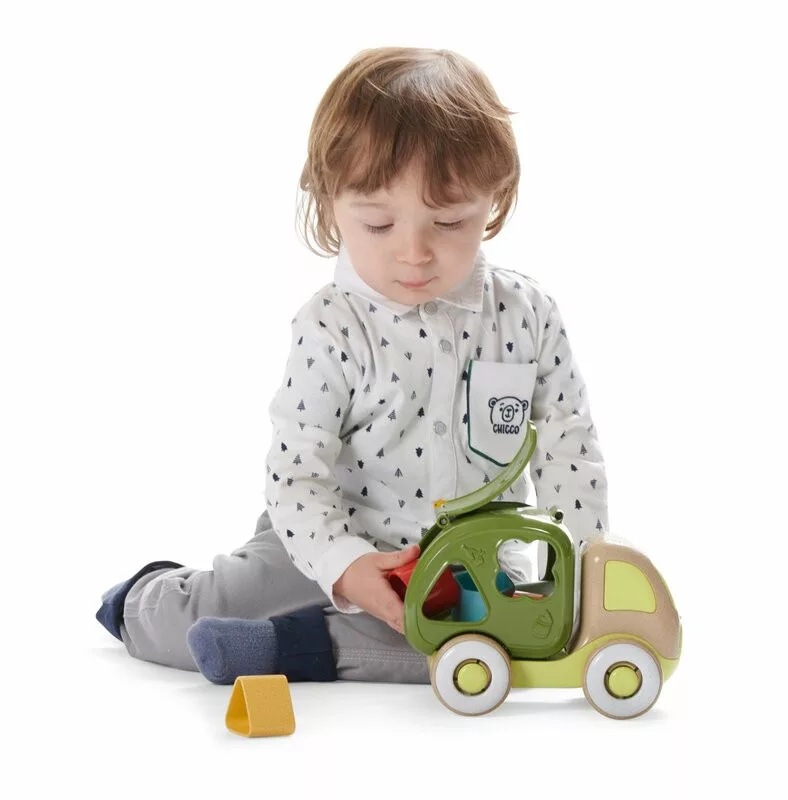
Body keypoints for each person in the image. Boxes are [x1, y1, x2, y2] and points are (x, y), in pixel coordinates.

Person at [96, 46, 610, 686]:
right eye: (378, 224)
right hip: (323, 540)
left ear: (494, 200)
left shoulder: (528, 315)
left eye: (450, 220)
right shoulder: (331, 326)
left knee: (471, 652)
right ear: (329, 204)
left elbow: (569, 448)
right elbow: (296, 475)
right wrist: (344, 564)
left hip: (473, 564)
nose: (414, 253)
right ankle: (144, 600)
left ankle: (287, 649)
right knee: (208, 612)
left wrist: (579, 575)